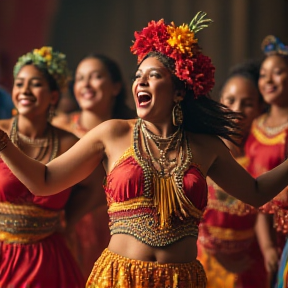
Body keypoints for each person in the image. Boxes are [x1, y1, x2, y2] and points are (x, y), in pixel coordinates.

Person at [1, 12, 288, 288]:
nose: (141, 81)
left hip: (182, 280)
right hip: (119, 277)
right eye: (138, 76)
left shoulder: (205, 146)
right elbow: (45, 181)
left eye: (153, 76)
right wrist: (4, 144)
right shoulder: (112, 133)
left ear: (179, 91)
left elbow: (256, 191)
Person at [0, 46, 86, 287]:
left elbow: (94, 187)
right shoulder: (1, 132)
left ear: (54, 96)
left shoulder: (70, 143)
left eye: (35, 84)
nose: (24, 90)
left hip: (47, 259)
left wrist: (71, 218)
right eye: (19, 84)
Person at [53, 53, 135, 278]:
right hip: (69, 225)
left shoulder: (132, 131)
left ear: (116, 87)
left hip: (121, 228)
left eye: (95, 77)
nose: (86, 85)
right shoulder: (58, 128)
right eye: (80, 78)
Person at [197, 59, 269, 288]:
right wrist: (216, 253)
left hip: (249, 264)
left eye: (247, 103)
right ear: (220, 102)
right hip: (202, 258)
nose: (237, 109)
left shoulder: (262, 159)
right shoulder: (203, 149)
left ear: (260, 108)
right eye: (230, 100)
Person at [245, 35, 288, 288]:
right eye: (263, 75)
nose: (268, 80)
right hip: (261, 229)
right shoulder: (256, 125)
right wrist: (267, 244)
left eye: (278, 72)